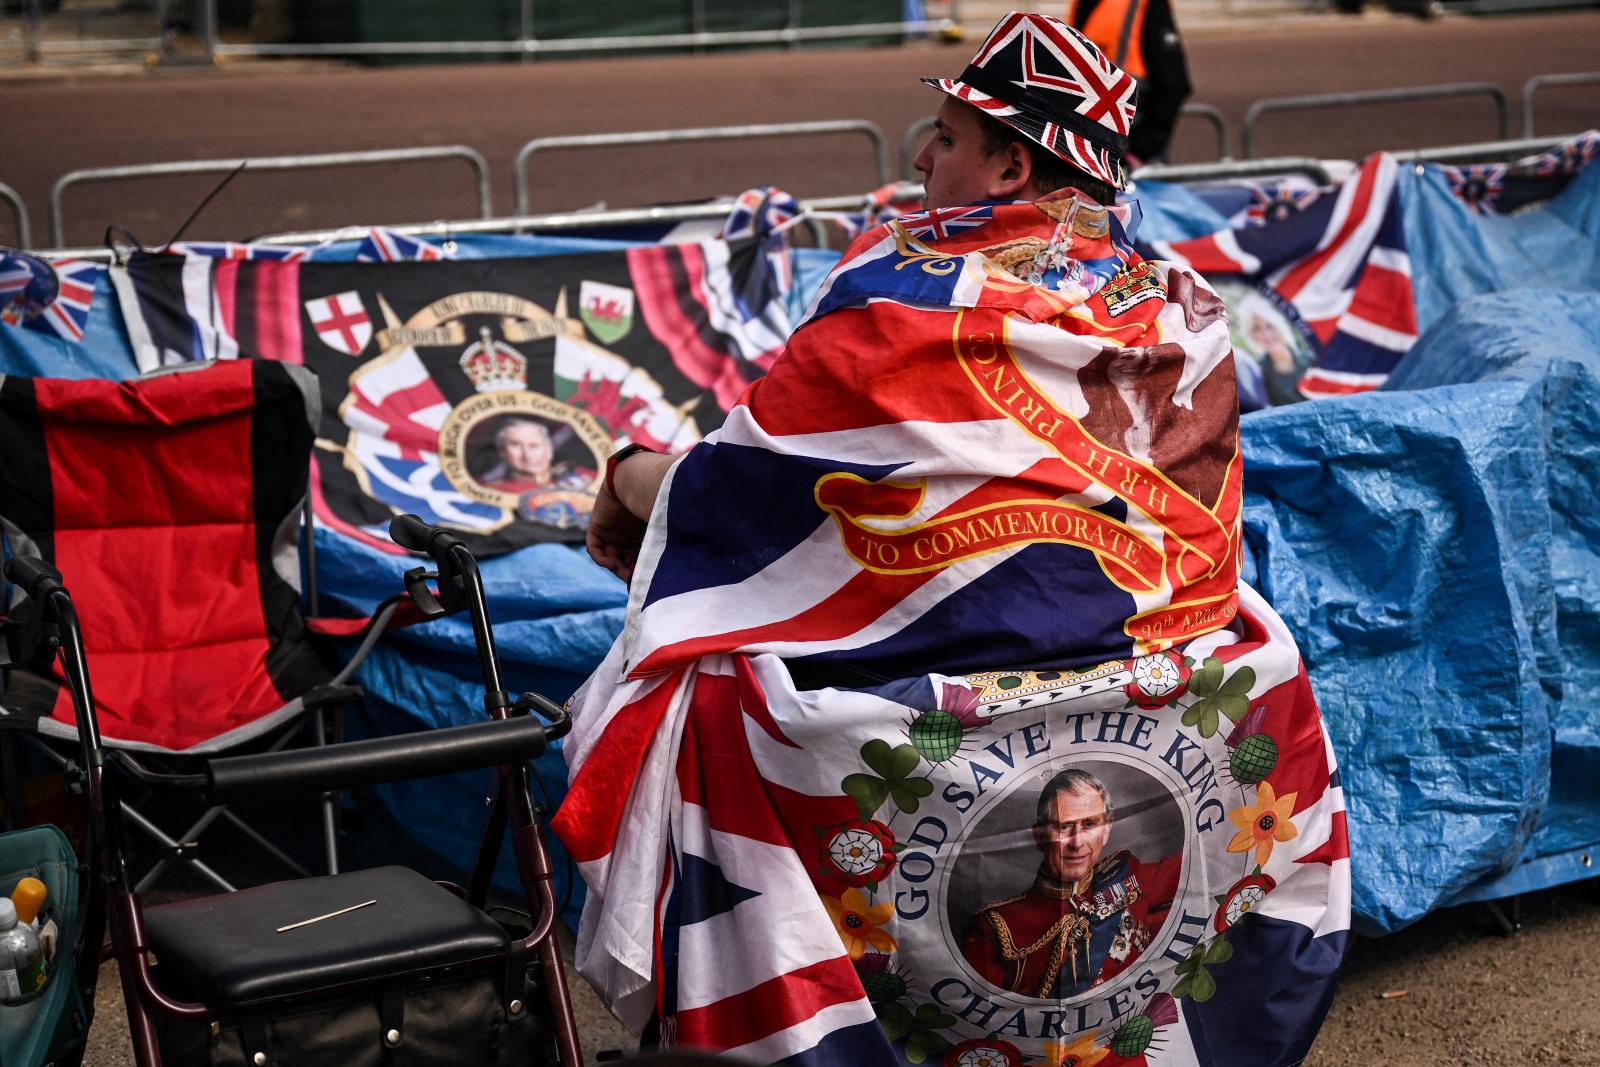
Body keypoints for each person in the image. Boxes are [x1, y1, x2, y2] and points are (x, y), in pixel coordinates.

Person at [957, 768, 1179, 998]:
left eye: (1090, 825)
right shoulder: (994, 928)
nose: (1077, 843)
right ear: (1039, 836)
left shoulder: (1130, 877)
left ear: (1106, 830)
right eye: (1064, 827)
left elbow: (1205, 854)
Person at [1066, 0, 1192, 166]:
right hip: (1090, 147)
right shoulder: (1081, 4)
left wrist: (1140, 151)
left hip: (1132, 155)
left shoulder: (1145, 5)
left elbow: (1173, 83)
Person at [477, 416, 591, 493]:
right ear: (502, 451)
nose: (527, 454)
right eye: (516, 445)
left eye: (534, 446)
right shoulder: (496, 490)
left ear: (549, 449)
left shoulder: (585, 476)